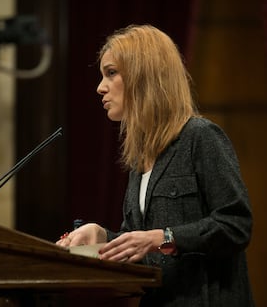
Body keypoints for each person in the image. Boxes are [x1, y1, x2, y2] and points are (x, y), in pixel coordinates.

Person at [57, 24, 255, 307]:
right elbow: (140, 243)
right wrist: (102, 236)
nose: (100, 87)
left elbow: (236, 225)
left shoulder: (200, 137)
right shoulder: (142, 156)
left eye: (111, 73)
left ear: (143, 75)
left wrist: (164, 237)